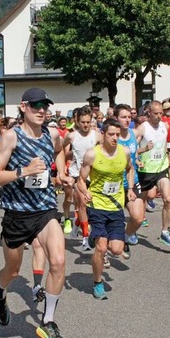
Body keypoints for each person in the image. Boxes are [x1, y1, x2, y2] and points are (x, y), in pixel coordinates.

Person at [0, 87, 70, 338]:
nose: (42, 111)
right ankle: (0, 293)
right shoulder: (11, 137)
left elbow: (60, 149)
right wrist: (24, 171)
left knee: (58, 260)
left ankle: (48, 321)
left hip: (45, 209)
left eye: (45, 106)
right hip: (17, 213)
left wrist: (61, 173)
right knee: (12, 271)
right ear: (23, 107)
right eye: (36, 106)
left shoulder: (53, 134)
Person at [77, 118, 136, 299]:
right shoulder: (92, 155)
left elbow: (130, 169)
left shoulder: (124, 152)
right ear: (103, 134)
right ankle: (98, 282)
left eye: (117, 135)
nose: (115, 138)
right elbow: (80, 179)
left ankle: (110, 242)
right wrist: (85, 191)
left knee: (116, 250)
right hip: (97, 205)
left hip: (116, 206)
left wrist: (131, 189)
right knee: (102, 248)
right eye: (111, 134)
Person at [63, 106, 102, 249]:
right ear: (77, 122)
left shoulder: (97, 135)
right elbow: (60, 149)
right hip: (76, 175)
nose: (86, 125)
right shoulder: (72, 136)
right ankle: (86, 238)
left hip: (93, 176)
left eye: (88, 122)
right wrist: (64, 165)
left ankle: (77, 224)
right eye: (83, 122)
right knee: (83, 204)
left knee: (88, 206)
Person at [137, 100, 170, 246]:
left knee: (168, 199)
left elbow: (166, 144)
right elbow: (133, 148)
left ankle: (165, 232)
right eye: (156, 113)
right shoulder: (143, 128)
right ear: (149, 113)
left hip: (161, 169)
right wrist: (142, 151)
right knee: (141, 201)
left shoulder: (164, 126)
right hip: (145, 170)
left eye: (161, 113)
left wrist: (168, 155)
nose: (159, 116)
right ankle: (134, 226)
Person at [114, 104, 145, 257]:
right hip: (114, 185)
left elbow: (134, 153)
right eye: (123, 117)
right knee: (111, 222)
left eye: (128, 117)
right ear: (115, 118)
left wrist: (138, 160)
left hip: (132, 182)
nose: (127, 120)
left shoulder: (134, 133)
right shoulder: (111, 136)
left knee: (138, 218)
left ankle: (125, 238)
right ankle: (103, 252)